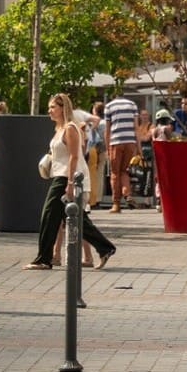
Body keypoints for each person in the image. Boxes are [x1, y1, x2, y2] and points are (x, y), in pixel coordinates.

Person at [25, 92, 115, 272]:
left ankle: (44, 259)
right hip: (60, 175)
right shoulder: (59, 129)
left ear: (62, 108)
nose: (49, 110)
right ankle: (105, 248)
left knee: (49, 216)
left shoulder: (70, 128)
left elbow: (75, 156)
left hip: (67, 177)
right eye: (49, 107)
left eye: (53, 107)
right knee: (76, 220)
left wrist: (71, 183)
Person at [102, 88, 143, 212]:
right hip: (130, 141)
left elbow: (107, 129)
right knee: (124, 170)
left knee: (115, 173)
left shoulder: (109, 106)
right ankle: (127, 194)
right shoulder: (132, 105)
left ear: (113, 96)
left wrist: (107, 147)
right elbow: (136, 127)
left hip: (116, 141)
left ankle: (116, 204)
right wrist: (139, 147)